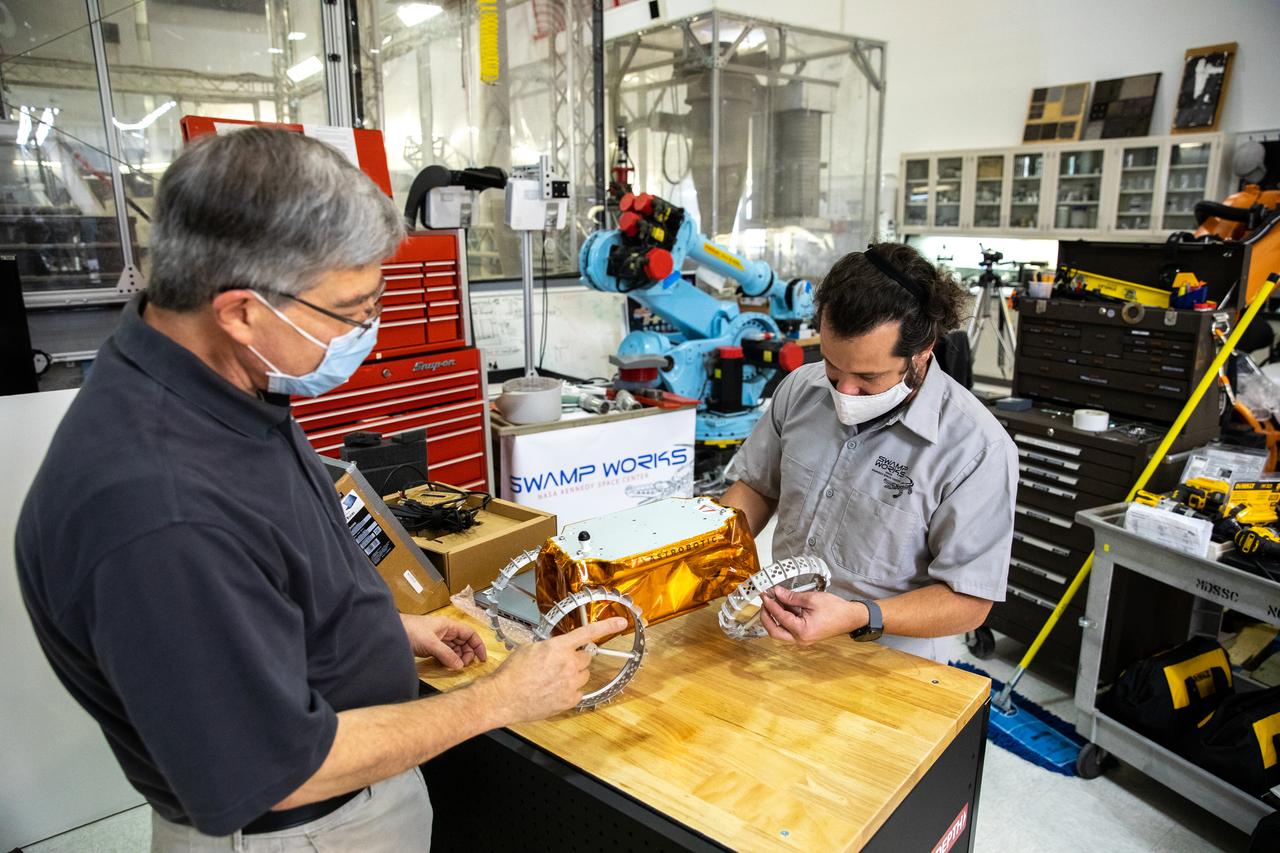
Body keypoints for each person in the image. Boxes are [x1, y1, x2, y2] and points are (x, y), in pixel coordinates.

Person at [14, 127, 624, 851]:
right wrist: (502, 698)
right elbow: (274, 772)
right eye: (350, 309)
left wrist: (376, 631)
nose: (366, 329)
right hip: (297, 827)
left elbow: (260, 578)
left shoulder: (216, 384)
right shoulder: (159, 511)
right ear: (242, 311)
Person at [720, 243, 1017, 662]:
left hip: (889, 661)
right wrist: (712, 555)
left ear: (923, 350)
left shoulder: (976, 450)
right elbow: (757, 486)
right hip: (781, 640)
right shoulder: (802, 389)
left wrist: (859, 615)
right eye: (832, 367)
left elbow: (969, 601)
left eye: (868, 376)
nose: (844, 392)